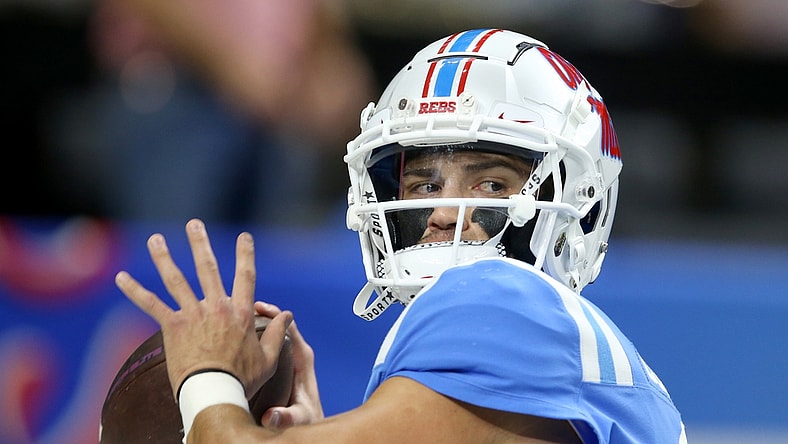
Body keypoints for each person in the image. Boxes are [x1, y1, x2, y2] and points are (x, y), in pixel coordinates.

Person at [115, 29, 687, 443]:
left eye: (490, 182)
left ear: (576, 202)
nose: (444, 213)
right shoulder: (572, 347)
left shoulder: (502, 298)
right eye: (421, 183)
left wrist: (206, 378)